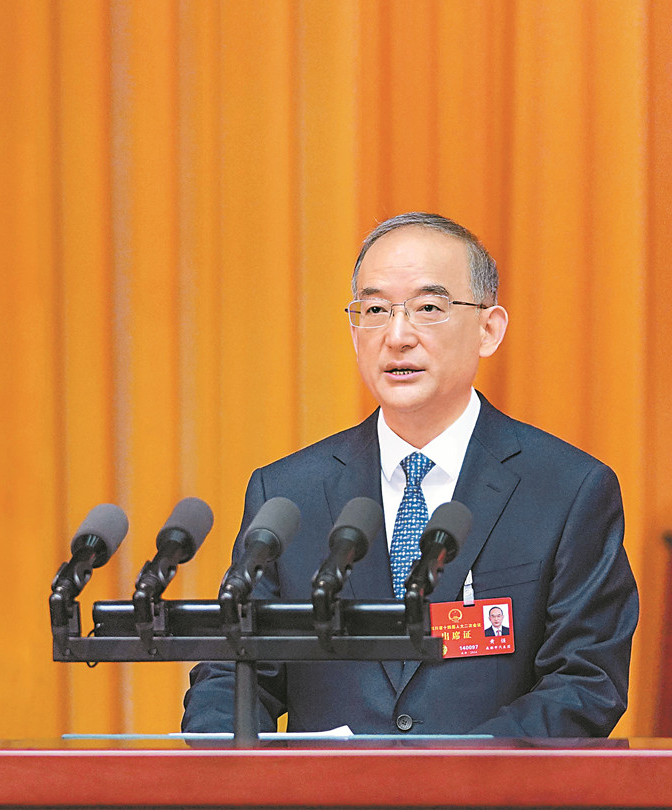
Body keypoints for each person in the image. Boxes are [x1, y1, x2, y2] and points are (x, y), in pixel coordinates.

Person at [182, 212, 638, 737]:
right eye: (375, 310)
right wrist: (238, 765)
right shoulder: (288, 495)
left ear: (488, 329)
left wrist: (452, 772)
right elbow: (231, 675)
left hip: (488, 790)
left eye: (428, 309)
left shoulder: (567, 490)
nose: (397, 336)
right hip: (325, 792)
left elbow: (584, 683)